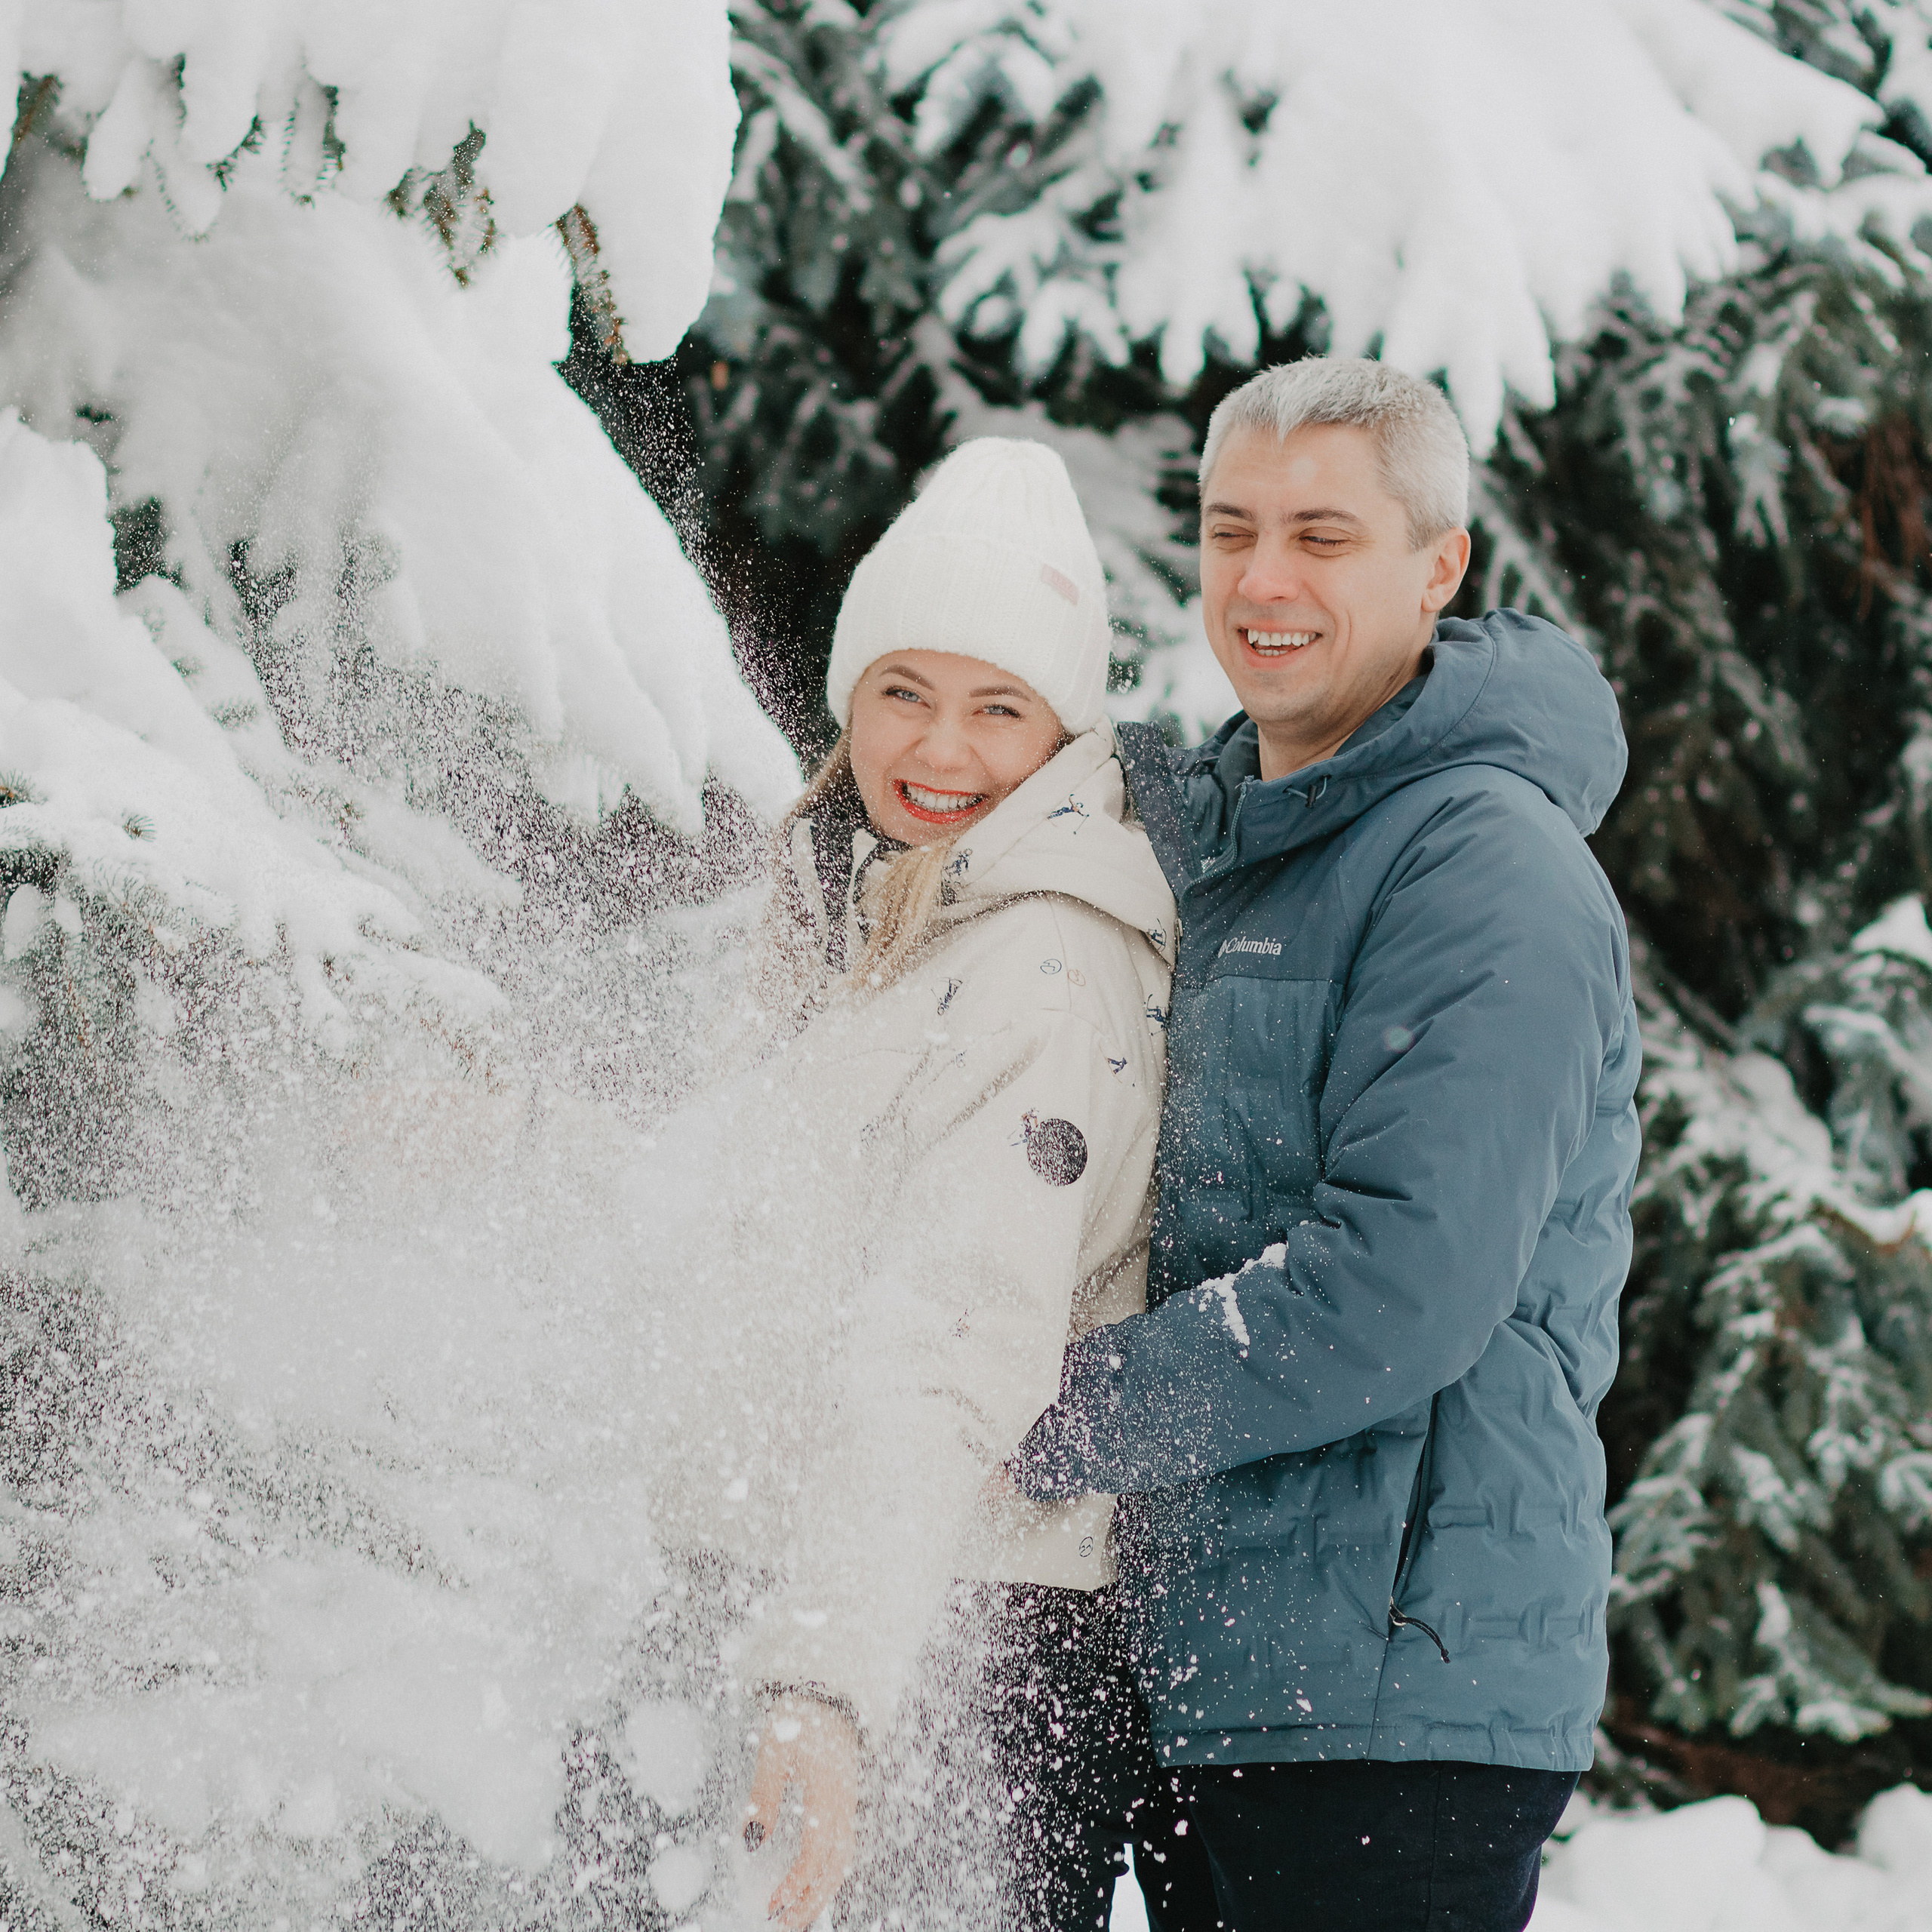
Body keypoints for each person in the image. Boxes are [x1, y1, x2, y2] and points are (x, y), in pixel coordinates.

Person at [1013, 359, 1642, 1932]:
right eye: (1231, 530)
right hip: (1222, 1678)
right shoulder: (1234, 846)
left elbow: (1394, 1289)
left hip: (1388, 1706)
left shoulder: (1483, 864)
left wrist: (1029, 1407)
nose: (1262, 580)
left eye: (1322, 535)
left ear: (1439, 565)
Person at [685, 437, 1208, 1930]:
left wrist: (823, 1682)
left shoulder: (1040, 964)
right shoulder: (886, 920)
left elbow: (948, 1336)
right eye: (904, 691)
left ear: (1062, 733)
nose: (940, 748)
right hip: (831, 1598)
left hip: (960, 1639)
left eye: (998, 708)